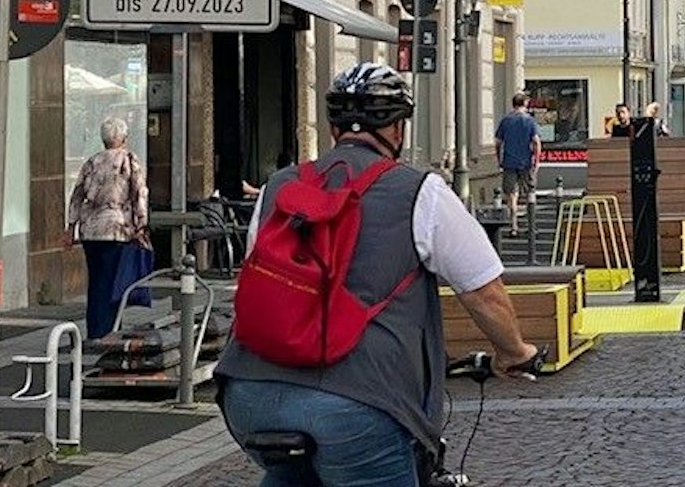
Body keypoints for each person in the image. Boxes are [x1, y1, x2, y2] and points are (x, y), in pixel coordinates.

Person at [219, 63, 540, 486]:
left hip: (249, 394)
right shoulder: (421, 191)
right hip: (359, 402)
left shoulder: (277, 187)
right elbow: (483, 291)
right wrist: (514, 351)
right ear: (398, 130)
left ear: (333, 129)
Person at [67, 116, 152, 340]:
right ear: (123, 138)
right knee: (115, 283)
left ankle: (95, 329)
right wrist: (141, 225)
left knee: (96, 282)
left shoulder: (92, 162)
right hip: (117, 230)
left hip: (91, 231)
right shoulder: (129, 160)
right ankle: (109, 331)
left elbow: (77, 195)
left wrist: (71, 226)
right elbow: (140, 194)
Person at [494, 92, 542, 235]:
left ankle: (514, 226)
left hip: (509, 162)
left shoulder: (505, 121)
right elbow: (536, 142)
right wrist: (537, 161)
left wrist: (499, 160)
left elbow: (498, 143)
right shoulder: (530, 121)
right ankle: (531, 225)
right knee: (529, 194)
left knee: (511, 195)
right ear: (525, 104)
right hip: (526, 162)